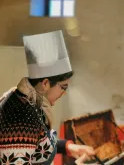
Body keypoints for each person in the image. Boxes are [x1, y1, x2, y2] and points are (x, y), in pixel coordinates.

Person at [0, 30, 95, 165]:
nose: (64, 94)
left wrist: (66, 147)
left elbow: (35, 140)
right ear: (45, 83)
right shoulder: (21, 115)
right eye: (63, 87)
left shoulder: (27, 100)